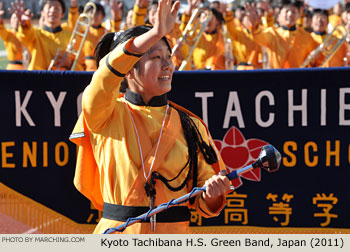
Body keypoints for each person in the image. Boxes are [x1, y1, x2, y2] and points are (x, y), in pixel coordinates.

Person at [69, 0, 231, 234]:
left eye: (169, 56)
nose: (168, 65)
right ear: (129, 68)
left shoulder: (191, 124)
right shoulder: (105, 113)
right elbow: (104, 75)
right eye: (156, 57)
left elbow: (206, 202)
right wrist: (155, 33)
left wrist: (212, 193)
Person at [12, 0, 85, 70]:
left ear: (62, 14)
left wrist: (70, 64)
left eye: (57, 8)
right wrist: (24, 25)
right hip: (36, 79)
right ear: (42, 12)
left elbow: (81, 67)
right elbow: (25, 36)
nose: (53, 10)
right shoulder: (36, 34)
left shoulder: (71, 37)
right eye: (49, 7)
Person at [245, 0, 319, 68]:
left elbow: (317, 60)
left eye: (294, 12)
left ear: (298, 15)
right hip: (277, 77)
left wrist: (313, 59)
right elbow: (260, 38)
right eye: (286, 11)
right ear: (279, 15)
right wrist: (254, 26)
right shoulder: (272, 33)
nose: (290, 14)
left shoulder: (306, 37)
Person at [0, 2, 26, 70]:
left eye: (18, 18)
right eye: (14, 19)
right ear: (10, 21)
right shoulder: (9, 34)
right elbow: (1, 29)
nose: (16, 21)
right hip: (12, 67)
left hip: (26, 66)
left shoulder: (27, 34)